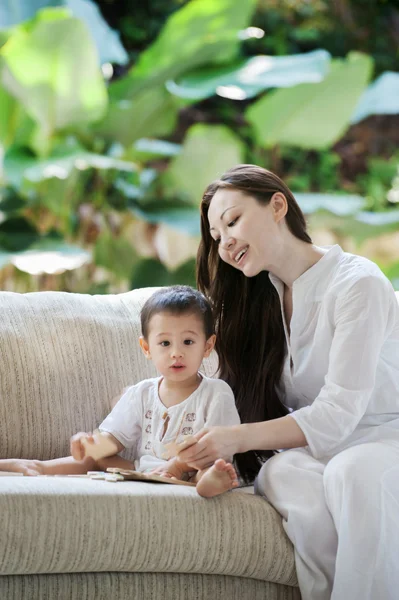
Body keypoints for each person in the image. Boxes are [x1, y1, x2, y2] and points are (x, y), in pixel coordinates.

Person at [175, 164, 399, 599]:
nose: (225, 243)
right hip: (326, 451)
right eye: (217, 237)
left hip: (386, 439)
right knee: (281, 471)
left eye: (233, 221)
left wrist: (236, 438)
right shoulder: (264, 302)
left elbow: (337, 414)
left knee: (352, 474)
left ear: (277, 205)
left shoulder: (358, 283)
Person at [0, 286, 240, 498]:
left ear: (207, 346)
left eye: (188, 342)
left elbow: (217, 444)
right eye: (165, 343)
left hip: (192, 470)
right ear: (146, 348)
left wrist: (177, 466)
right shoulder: (141, 393)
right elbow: (114, 439)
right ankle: (36, 467)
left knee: (211, 467)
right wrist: (90, 444)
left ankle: (212, 483)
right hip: (144, 471)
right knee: (96, 459)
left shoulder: (216, 392)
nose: (176, 353)